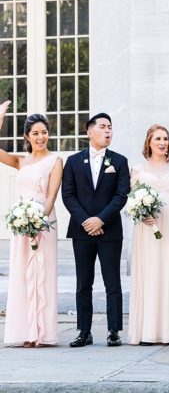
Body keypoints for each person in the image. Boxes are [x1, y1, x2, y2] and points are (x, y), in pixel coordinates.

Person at [61, 111, 130, 348]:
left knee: (113, 282)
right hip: (82, 232)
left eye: (110, 127)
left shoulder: (119, 161)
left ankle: (113, 331)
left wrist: (100, 220)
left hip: (110, 230)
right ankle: (84, 331)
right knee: (83, 282)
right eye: (102, 126)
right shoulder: (73, 161)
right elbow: (68, 195)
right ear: (90, 132)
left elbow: (122, 195)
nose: (108, 130)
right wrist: (87, 222)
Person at [0, 103, 63, 347]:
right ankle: (25, 332)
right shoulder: (20, 161)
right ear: (27, 136)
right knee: (22, 275)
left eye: (44, 132)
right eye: (35, 133)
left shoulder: (55, 160)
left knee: (43, 275)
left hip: (43, 223)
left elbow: (51, 195)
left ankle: (43, 333)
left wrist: (38, 223)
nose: (40, 137)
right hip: (21, 223)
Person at [128, 125, 169, 345]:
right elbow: (132, 199)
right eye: (157, 138)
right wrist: (140, 213)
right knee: (151, 273)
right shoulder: (138, 169)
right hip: (149, 228)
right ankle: (148, 331)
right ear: (149, 142)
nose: (162, 142)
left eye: (165, 138)